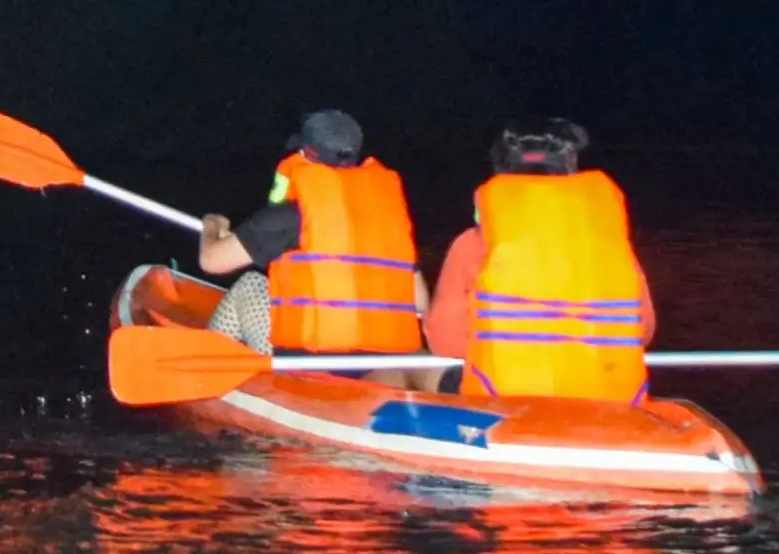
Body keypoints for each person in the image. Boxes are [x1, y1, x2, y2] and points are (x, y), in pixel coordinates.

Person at [443, 119, 654, 402]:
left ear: (500, 169)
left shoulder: (472, 244)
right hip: (604, 401)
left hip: (503, 400)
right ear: (571, 168)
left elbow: (446, 341)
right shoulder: (611, 246)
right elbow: (643, 330)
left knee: (399, 372)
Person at [194, 109, 422, 356]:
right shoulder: (385, 218)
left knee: (251, 284)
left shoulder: (290, 216)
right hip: (371, 366)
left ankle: (205, 369)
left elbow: (211, 261)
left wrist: (212, 224)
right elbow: (421, 303)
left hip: (308, 365)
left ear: (305, 153)